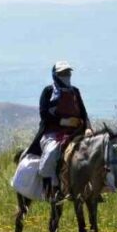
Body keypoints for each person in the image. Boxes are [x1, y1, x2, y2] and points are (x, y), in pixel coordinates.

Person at [25, 61, 92, 201]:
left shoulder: (75, 91)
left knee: (98, 152)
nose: (66, 75)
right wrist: (63, 121)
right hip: (53, 133)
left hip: (76, 132)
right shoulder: (48, 91)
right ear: (55, 75)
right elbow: (44, 114)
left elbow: (83, 112)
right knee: (51, 154)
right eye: (62, 73)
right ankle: (52, 188)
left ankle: (97, 187)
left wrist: (88, 128)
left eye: (68, 73)